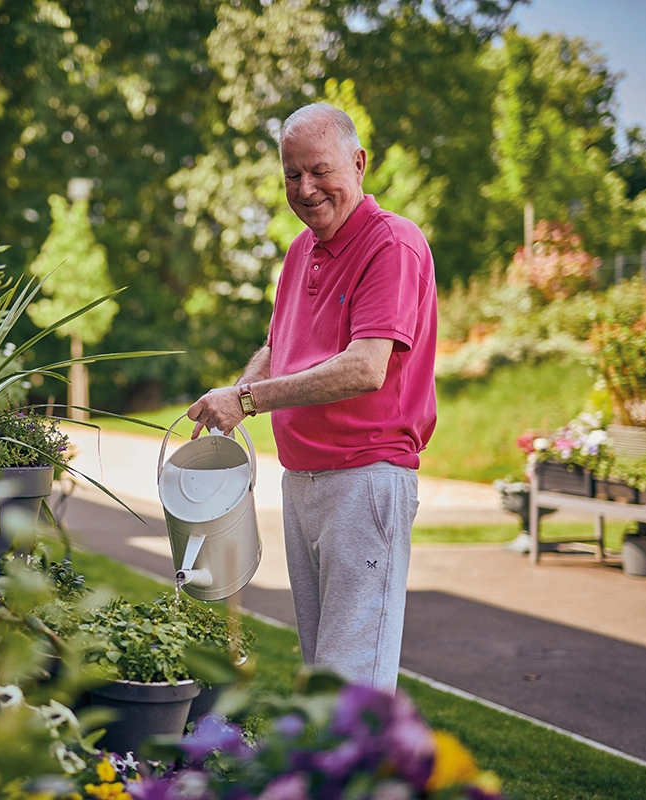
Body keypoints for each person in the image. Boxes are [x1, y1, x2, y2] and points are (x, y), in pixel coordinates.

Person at [185, 103, 437, 690]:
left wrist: (247, 401)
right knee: (322, 674)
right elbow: (280, 349)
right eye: (292, 176)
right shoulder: (300, 252)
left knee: (352, 681)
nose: (306, 189)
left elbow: (365, 368)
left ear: (358, 163)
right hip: (305, 481)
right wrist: (234, 401)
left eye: (319, 171)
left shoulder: (392, 245)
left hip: (365, 480)